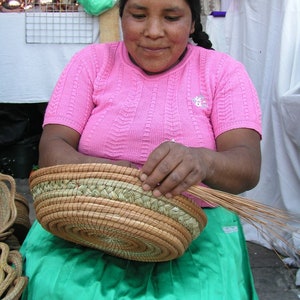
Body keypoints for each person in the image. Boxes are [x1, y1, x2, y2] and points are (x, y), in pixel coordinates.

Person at [20, 0, 262, 299]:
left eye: (171, 17)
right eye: (138, 15)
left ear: (193, 23)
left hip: (192, 228)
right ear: (121, 17)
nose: (153, 31)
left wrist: (203, 161)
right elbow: (52, 147)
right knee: (53, 287)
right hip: (84, 218)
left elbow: (247, 166)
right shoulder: (91, 63)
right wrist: (108, 175)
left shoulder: (222, 72)